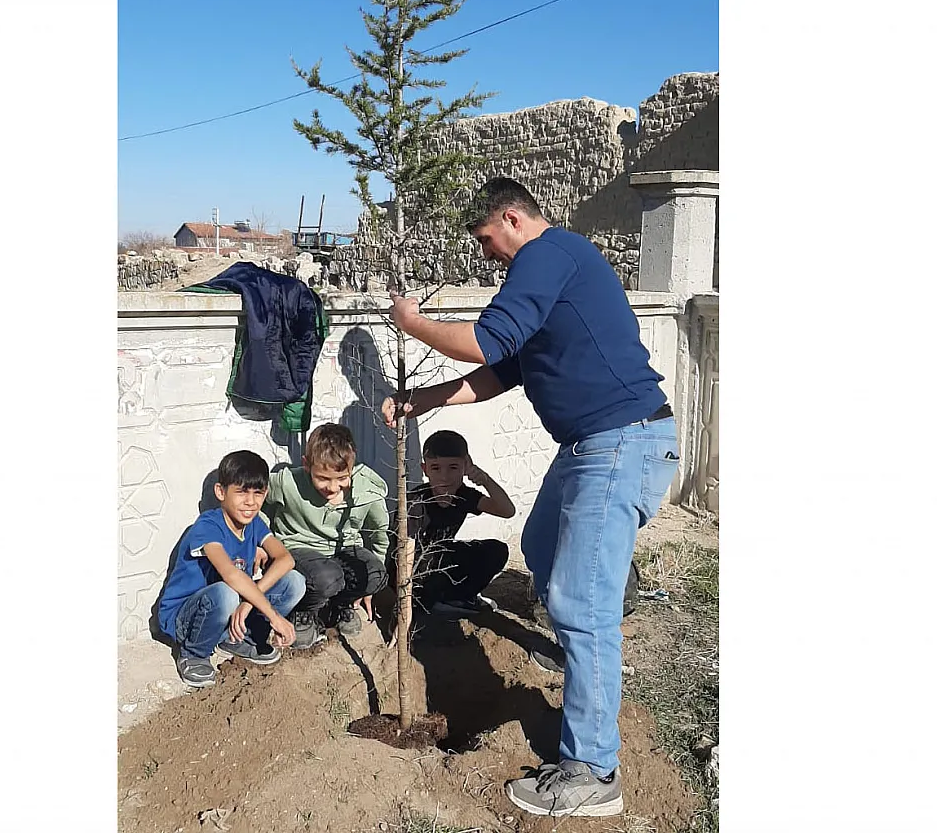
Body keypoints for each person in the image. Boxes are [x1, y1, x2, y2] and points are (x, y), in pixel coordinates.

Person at [382, 177, 680, 818]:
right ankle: (586, 641)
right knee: (542, 545)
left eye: (487, 239)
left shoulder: (546, 255)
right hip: (589, 447)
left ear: (513, 219)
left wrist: (413, 323)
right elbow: (501, 370)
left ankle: (594, 770)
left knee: (579, 601)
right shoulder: (554, 272)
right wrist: (425, 400)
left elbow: (484, 341)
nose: (487, 253)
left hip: (619, 443)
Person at [156, 450, 304, 690]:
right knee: (226, 593)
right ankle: (194, 653)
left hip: (231, 608)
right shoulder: (208, 526)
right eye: (241, 492)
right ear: (220, 492)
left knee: (294, 582)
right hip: (187, 618)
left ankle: (237, 637)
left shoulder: (254, 523)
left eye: (258, 493)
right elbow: (230, 574)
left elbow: (286, 559)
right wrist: (274, 616)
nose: (250, 502)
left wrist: (247, 605)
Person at [262, 423, 390, 648]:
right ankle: (306, 613)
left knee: (375, 575)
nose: (333, 487)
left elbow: (379, 535)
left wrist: (369, 588)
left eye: (341, 477)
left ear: (352, 466)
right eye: (322, 478)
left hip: (343, 548)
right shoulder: (286, 482)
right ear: (306, 465)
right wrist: (259, 542)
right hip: (300, 547)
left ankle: (342, 605)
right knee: (327, 577)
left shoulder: (366, 490)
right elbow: (256, 501)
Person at [391, 429, 515, 618]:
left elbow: (507, 511)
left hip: (442, 558)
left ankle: (460, 598)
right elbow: (404, 553)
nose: (444, 476)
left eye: (453, 468)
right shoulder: (416, 502)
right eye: (436, 468)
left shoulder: (463, 495)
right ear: (425, 470)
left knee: (496, 550)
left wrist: (484, 479)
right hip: (412, 568)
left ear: (465, 467)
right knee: (431, 560)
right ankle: (429, 604)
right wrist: (403, 604)